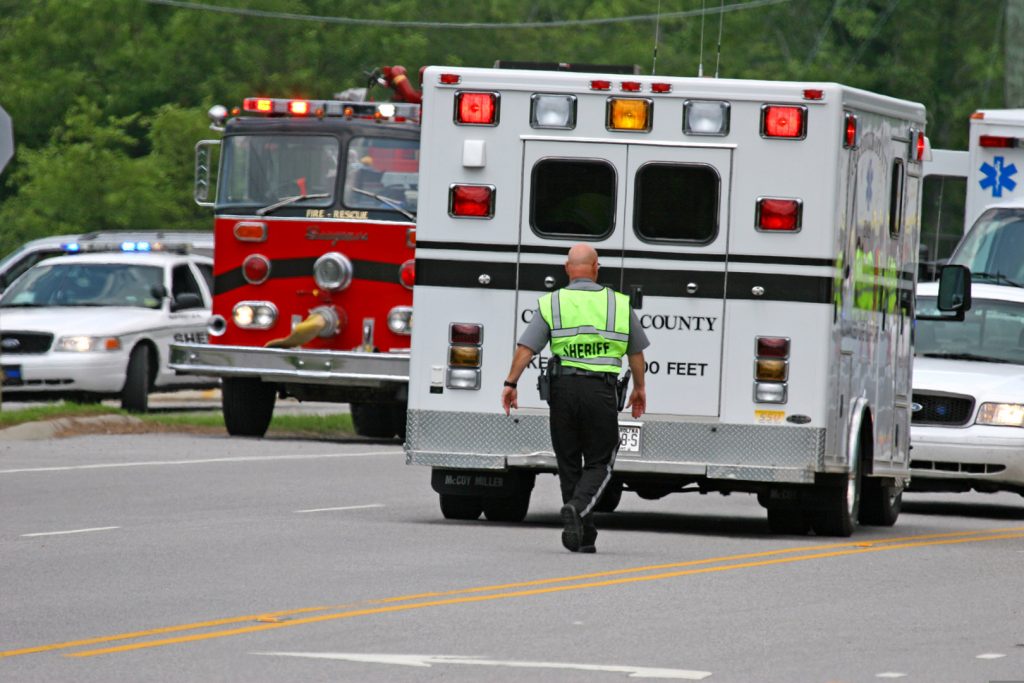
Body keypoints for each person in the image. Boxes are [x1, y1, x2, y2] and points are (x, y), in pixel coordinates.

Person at [501, 243, 648, 553]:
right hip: (600, 391)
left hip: (562, 390)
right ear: (596, 268)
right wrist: (639, 388)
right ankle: (578, 508)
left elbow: (526, 349)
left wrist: (510, 382)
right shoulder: (618, 304)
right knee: (600, 462)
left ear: (567, 269)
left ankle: (584, 534)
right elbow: (636, 354)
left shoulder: (552, 303)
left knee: (568, 462)